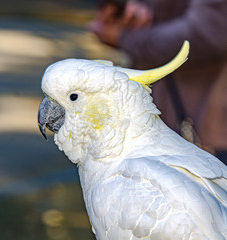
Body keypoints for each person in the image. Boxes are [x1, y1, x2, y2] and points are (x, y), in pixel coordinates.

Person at [89, 0, 227, 163]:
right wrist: (126, 7)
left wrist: (125, 38)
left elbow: (207, 32)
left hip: (207, 127)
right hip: (158, 124)